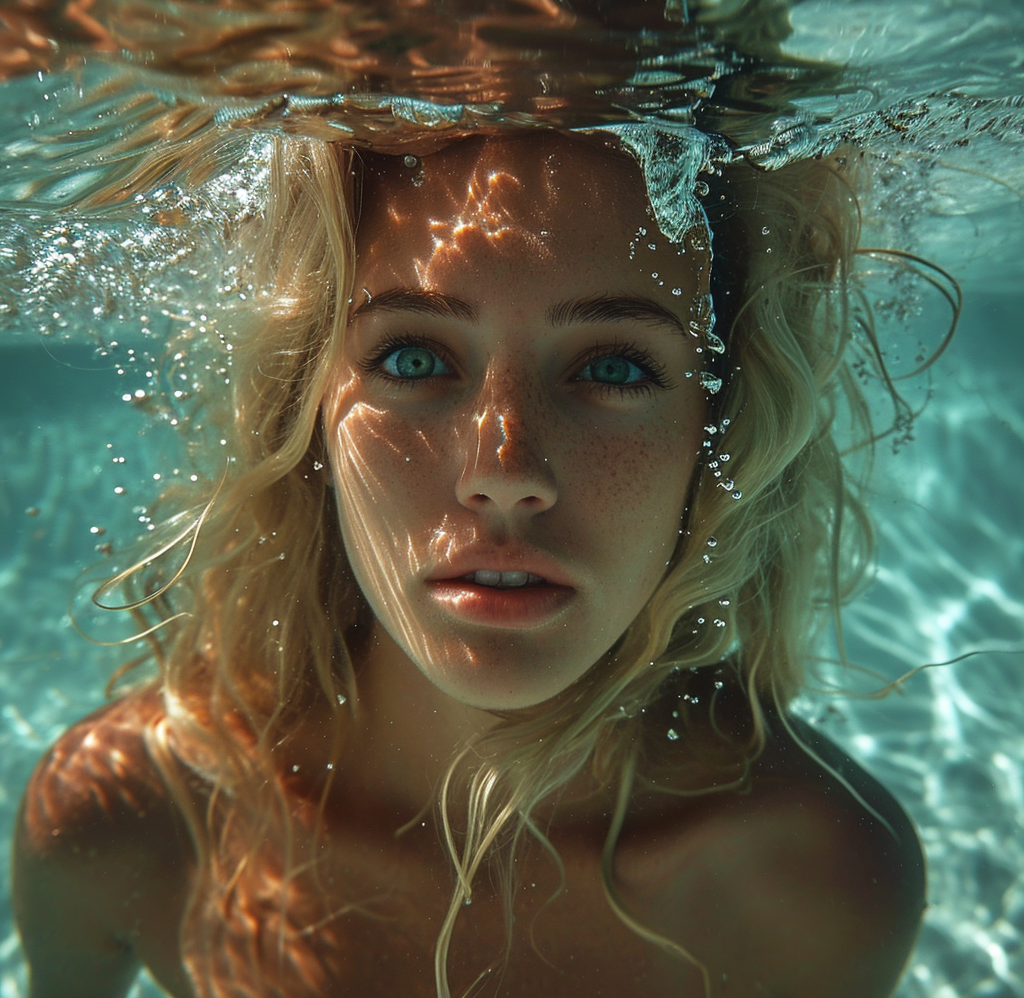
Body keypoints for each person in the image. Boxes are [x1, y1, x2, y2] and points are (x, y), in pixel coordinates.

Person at [13, 128, 927, 998]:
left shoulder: (819, 879)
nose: (505, 473)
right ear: (309, 415)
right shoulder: (130, 817)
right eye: (413, 357)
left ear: (719, 431)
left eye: (613, 368)